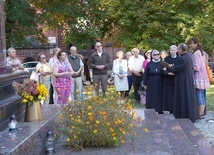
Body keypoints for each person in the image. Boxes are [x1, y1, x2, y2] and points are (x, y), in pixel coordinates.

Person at [168, 43, 199, 122]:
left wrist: (169, 67)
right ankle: (191, 115)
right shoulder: (189, 57)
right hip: (188, 79)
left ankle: (183, 115)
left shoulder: (181, 58)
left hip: (182, 80)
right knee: (189, 97)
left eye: (178, 49)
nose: (178, 51)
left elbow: (176, 69)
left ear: (181, 50)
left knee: (183, 97)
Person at [188, 37, 210, 119]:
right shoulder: (201, 52)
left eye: (191, 44)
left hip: (198, 77)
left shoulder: (196, 53)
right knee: (202, 95)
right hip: (203, 77)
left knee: (199, 95)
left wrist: (190, 67)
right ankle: (202, 112)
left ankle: (200, 113)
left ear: (195, 43)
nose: (190, 45)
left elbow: (197, 67)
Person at [162, 45, 180, 113]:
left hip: (175, 79)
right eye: (171, 50)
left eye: (174, 50)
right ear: (169, 51)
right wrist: (167, 73)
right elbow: (163, 69)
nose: (172, 51)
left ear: (176, 51)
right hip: (168, 79)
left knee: (175, 95)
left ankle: (175, 109)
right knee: (168, 95)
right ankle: (169, 108)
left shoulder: (179, 59)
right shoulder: (167, 58)